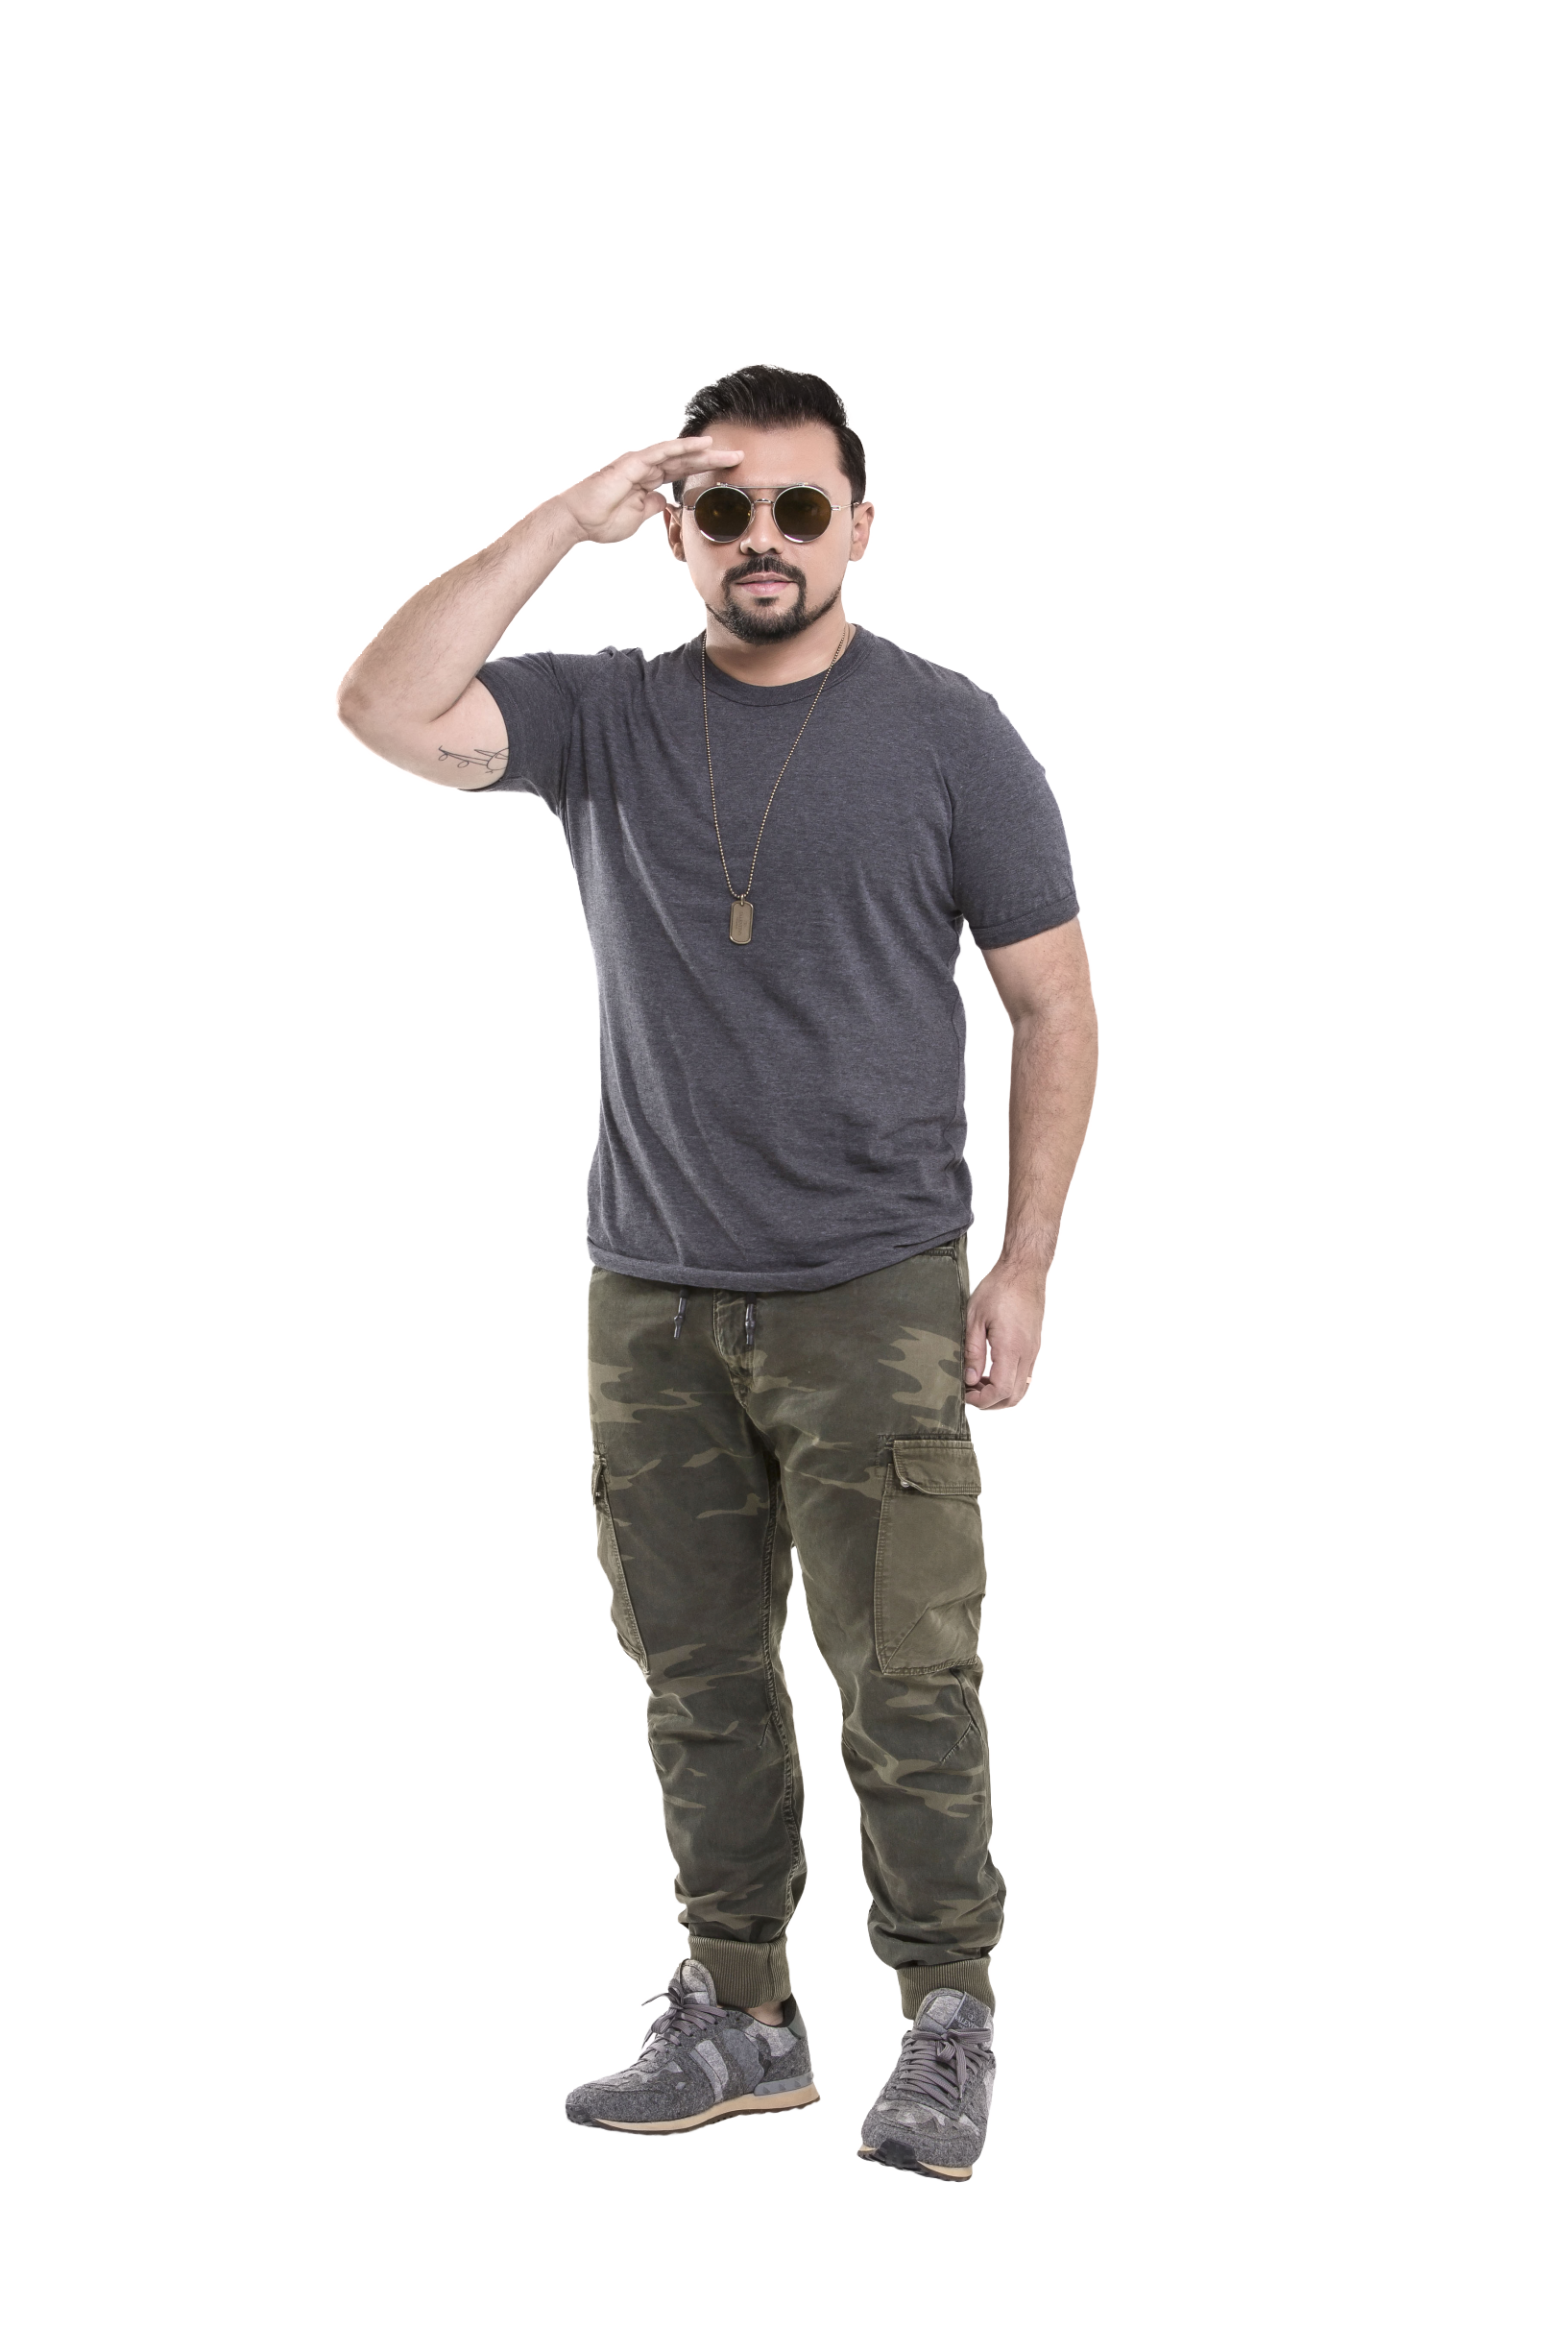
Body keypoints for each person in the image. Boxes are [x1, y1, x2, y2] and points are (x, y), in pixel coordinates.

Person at [332, 362, 1100, 2187]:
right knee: (693, 1675)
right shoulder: (603, 714)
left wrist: (1022, 1268)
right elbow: (381, 706)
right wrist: (561, 521)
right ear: (677, 530)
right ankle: (742, 2014)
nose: (764, 540)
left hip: (876, 1288)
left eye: (799, 508)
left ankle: (948, 2013)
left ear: (859, 528)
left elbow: (1054, 1002)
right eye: (723, 507)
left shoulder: (948, 730)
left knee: (904, 1673)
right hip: (652, 1294)